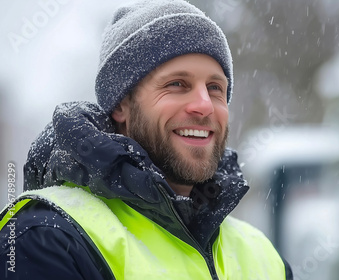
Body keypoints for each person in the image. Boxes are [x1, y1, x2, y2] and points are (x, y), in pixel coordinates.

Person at [0, 0, 293, 279]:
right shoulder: (48, 237)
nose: (204, 105)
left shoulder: (264, 256)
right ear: (120, 104)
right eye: (177, 84)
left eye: (215, 87)